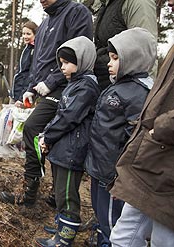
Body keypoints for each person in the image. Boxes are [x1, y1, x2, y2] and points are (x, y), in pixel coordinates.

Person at [0, 0, 93, 207]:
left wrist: (50, 82)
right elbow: (39, 61)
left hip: (68, 86)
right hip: (45, 88)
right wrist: (31, 89)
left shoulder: (77, 13)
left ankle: (36, 193)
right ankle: (44, 191)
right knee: (43, 134)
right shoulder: (45, 22)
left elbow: (78, 54)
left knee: (35, 129)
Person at [109, 1, 174, 246]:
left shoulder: (133, 92)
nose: (168, 2)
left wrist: (163, 127)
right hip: (152, 159)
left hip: (163, 158)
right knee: (125, 234)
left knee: (162, 240)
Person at [85, 27, 157, 247]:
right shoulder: (120, 86)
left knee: (112, 223)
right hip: (100, 168)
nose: (109, 62)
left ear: (133, 58)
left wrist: (122, 176)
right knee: (100, 214)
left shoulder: (138, 93)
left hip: (113, 175)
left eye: (115, 58)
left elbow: (134, 139)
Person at [34, 36, 101, 247]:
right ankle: (61, 224)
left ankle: (65, 237)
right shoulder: (75, 83)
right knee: (60, 191)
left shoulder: (86, 87)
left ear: (82, 60)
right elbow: (59, 115)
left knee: (67, 195)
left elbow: (68, 117)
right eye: (61, 63)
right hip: (63, 148)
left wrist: (48, 136)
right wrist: (47, 136)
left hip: (72, 151)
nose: (62, 68)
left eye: (66, 63)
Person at [93, 0, 157, 90]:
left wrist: (146, 94)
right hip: (107, 88)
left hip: (127, 95)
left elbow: (145, 53)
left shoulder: (138, 2)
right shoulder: (105, 4)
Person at [10, 21, 38, 107]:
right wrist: (12, 93)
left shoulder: (35, 51)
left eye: (28, 34)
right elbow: (20, 73)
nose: (25, 36)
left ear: (35, 34)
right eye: (23, 34)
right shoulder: (27, 49)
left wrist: (21, 97)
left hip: (24, 96)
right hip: (16, 93)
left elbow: (30, 76)